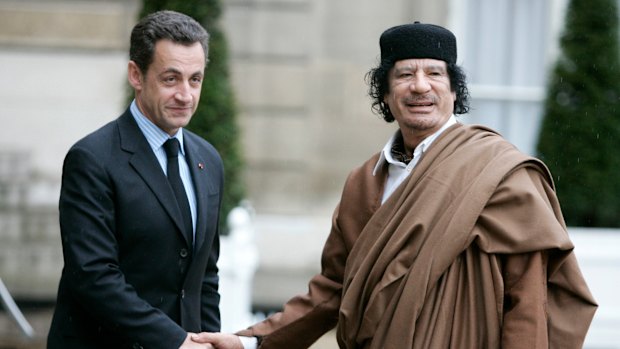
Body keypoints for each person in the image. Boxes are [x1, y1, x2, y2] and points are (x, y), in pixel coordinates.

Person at [193, 22, 597, 349]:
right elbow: (332, 291)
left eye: (435, 73)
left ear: (454, 91)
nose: (420, 86)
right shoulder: (363, 182)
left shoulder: (499, 172)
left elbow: (527, 300)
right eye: (404, 74)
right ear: (385, 94)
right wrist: (251, 343)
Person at [47, 10, 223, 349]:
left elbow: (206, 276)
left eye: (195, 79)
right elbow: (94, 277)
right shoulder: (92, 159)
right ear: (136, 75)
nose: (185, 95)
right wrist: (175, 341)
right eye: (171, 79)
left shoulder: (209, 160)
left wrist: (208, 341)